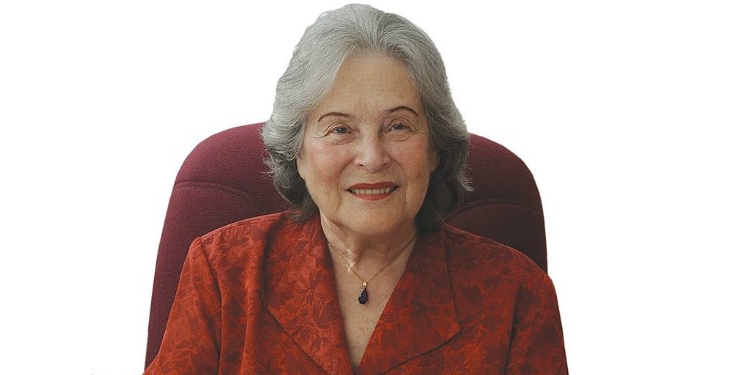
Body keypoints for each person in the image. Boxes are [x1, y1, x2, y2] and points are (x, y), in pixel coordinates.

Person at [144, 4, 567, 374]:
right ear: (299, 153)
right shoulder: (225, 272)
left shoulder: (515, 294)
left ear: (436, 147)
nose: (371, 156)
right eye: (340, 129)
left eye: (398, 125)